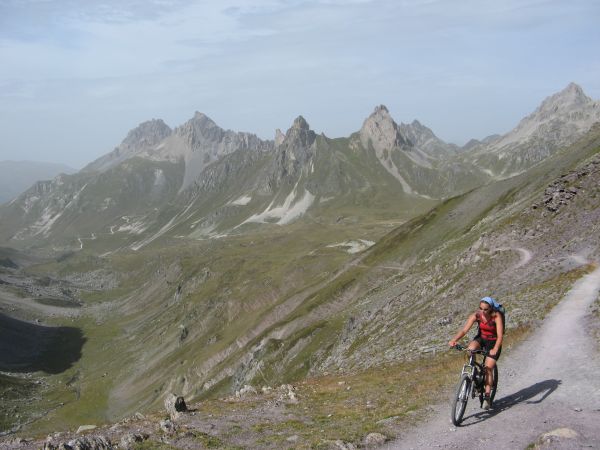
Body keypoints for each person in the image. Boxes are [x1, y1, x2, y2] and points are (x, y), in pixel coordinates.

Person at [448, 296, 504, 409]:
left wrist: (495, 349)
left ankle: (487, 397)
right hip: (481, 338)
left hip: (493, 342)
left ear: (491, 309)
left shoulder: (496, 317)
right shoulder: (477, 315)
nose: (482, 311)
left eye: (485, 309)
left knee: (488, 368)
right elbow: (464, 330)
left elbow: (500, 336)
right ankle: (475, 377)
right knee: (470, 350)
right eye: (480, 308)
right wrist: (454, 340)